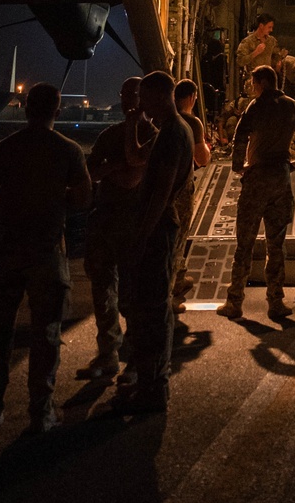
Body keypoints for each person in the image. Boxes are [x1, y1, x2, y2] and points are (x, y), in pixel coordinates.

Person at [0, 81, 92, 436]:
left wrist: (10, 209)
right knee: (46, 335)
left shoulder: (4, 150)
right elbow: (84, 199)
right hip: (47, 252)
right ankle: (41, 412)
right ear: (58, 111)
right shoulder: (68, 151)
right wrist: (54, 206)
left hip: (9, 251)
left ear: (26, 108)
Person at [218, 64, 295, 323]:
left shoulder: (256, 107)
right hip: (281, 178)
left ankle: (235, 302)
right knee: (275, 245)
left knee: (244, 244)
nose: (253, 88)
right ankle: (275, 302)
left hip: (257, 180)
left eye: (254, 83)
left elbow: (240, 137)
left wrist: (238, 167)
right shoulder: (291, 106)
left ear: (262, 83)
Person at [117, 71, 195, 415]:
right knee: (150, 308)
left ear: (161, 96)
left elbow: (160, 194)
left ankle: (154, 387)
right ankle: (150, 382)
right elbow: (136, 158)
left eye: (144, 98)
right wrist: (134, 123)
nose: (140, 105)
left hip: (158, 230)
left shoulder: (172, 135)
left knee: (153, 310)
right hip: (158, 228)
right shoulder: (171, 130)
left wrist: (141, 237)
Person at [81, 75, 147, 381]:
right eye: (123, 94)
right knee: (102, 289)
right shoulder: (109, 135)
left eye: (132, 94)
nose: (126, 100)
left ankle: (134, 357)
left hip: (134, 224)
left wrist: (113, 169)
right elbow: (92, 174)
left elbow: (131, 178)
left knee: (132, 295)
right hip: (106, 222)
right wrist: (116, 167)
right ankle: (108, 353)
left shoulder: (150, 134)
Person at [170, 79, 211, 313]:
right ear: (192, 98)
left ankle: (179, 278)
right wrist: (205, 146)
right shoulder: (192, 122)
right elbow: (202, 159)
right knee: (178, 237)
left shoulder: (160, 118)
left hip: (159, 187)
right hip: (181, 189)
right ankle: (172, 295)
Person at [235, 13, 280, 94]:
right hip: (254, 83)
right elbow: (240, 61)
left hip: (269, 83)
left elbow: (276, 56)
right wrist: (255, 53)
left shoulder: (271, 41)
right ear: (261, 26)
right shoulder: (247, 42)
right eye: (269, 27)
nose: (271, 30)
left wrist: (277, 64)